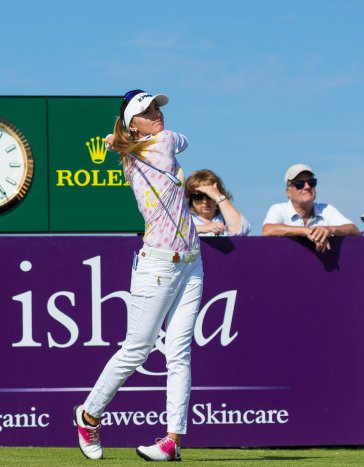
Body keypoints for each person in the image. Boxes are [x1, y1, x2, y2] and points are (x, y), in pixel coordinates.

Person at [74, 90, 203, 462]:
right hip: (158, 264)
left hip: (192, 261)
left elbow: (173, 139)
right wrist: (124, 140)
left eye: (156, 108)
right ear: (134, 122)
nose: (156, 114)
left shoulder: (137, 148)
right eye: (147, 111)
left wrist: (121, 139)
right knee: (137, 350)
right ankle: (88, 414)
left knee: (179, 352)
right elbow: (181, 138)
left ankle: (172, 441)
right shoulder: (158, 144)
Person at [262, 164, 358, 252]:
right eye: (300, 184)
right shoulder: (279, 209)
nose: (307, 186)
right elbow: (267, 230)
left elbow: (354, 230)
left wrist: (329, 230)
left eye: (311, 182)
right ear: (288, 192)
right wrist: (306, 231)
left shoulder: (327, 209)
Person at [185, 169, 251, 236]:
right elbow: (177, 233)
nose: (205, 201)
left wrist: (218, 196)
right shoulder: (185, 219)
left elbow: (241, 230)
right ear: (190, 199)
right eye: (198, 196)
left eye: (209, 195)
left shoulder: (226, 218)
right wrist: (204, 228)